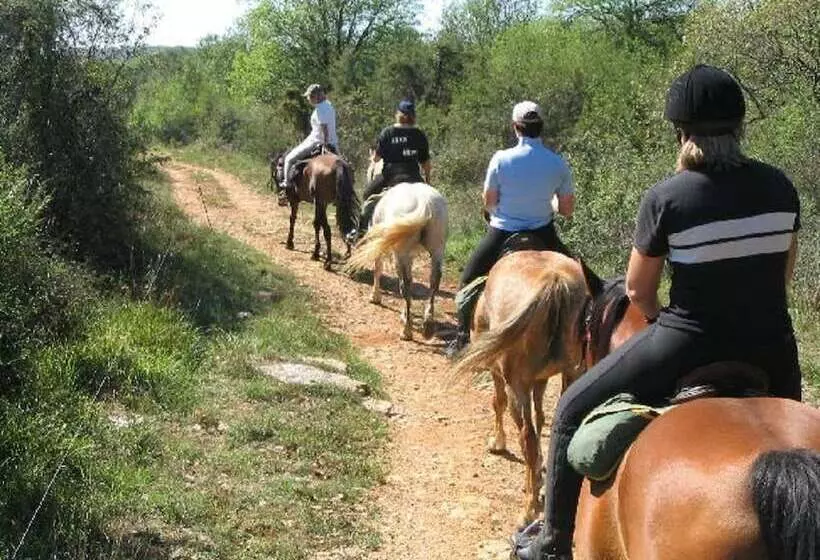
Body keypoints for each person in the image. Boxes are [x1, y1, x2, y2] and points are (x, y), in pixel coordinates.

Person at [513, 64, 802, 560]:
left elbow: (638, 291)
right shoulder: (780, 187)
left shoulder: (667, 198)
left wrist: (665, 314)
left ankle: (553, 543)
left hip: (687, 339)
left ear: (681, 134)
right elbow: (783, 276)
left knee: (568, 412)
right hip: (774, 347)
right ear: (739, 128)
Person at [447, 100, 575, 357]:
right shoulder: (557, 163)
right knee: (582, 281)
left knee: (467, 280)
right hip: (544, 233)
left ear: (516, 127)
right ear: (541, 127)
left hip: (502, 233)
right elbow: (566, 210)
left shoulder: (500, 159)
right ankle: (582, 341)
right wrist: (548, 201)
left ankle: (461, 337)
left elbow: (489, 201)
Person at [351, 98, 431, 240]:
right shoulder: (419, 134)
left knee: (367, 197)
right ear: (413, 116)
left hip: (391, 177)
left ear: (398, 114)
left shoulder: (387, 132)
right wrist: (428, 181)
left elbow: (376, 159)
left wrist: (372, 158)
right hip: (413, 176)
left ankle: (360, 234)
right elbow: (426, 164)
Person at [278, 83, 338, 201]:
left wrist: (325, 145)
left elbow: (324, 127)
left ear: (317, 96)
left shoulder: (321, 108)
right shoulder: (328, 105)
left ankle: (287, 186)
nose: (308, 99)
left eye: (310, 96)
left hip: (316, 141)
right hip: (334, 142)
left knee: (289, 158)